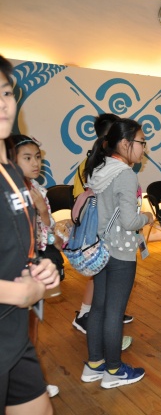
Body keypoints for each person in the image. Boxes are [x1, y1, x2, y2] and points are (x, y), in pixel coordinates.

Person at [0, 54, 60, 415]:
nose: (3, 104)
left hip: (12, 331)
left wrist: (39, 266)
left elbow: (15, 241)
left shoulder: (10, 173)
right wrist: (17, 292)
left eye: (6, 92)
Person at [80, 118, 154, 389]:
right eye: (142, 142)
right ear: (125, 143)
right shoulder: (125, 174)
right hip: (120, 253)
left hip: (99, 250)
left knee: (98, 308)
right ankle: (113, 370)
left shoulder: (100, 169)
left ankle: (94, 364)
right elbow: (129, 221)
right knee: (114, 312)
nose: (144, 148)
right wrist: (147, 217)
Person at [6, 135, 61, 399]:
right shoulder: (8, 190)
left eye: (38, 157)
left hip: (32, 266)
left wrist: (42, 211)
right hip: (10, 274)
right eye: (27, 158)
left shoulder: (38, 190)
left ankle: (30, 380)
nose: (35, 163)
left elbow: (47, 236)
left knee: (31, 327)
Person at [72, 113, 134, 340]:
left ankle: (97, 320)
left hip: (103, 235)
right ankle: (85, 315)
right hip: (103, 237)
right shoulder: (104, 165)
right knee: (100, 291)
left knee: (103, 291)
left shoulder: (102, 163)